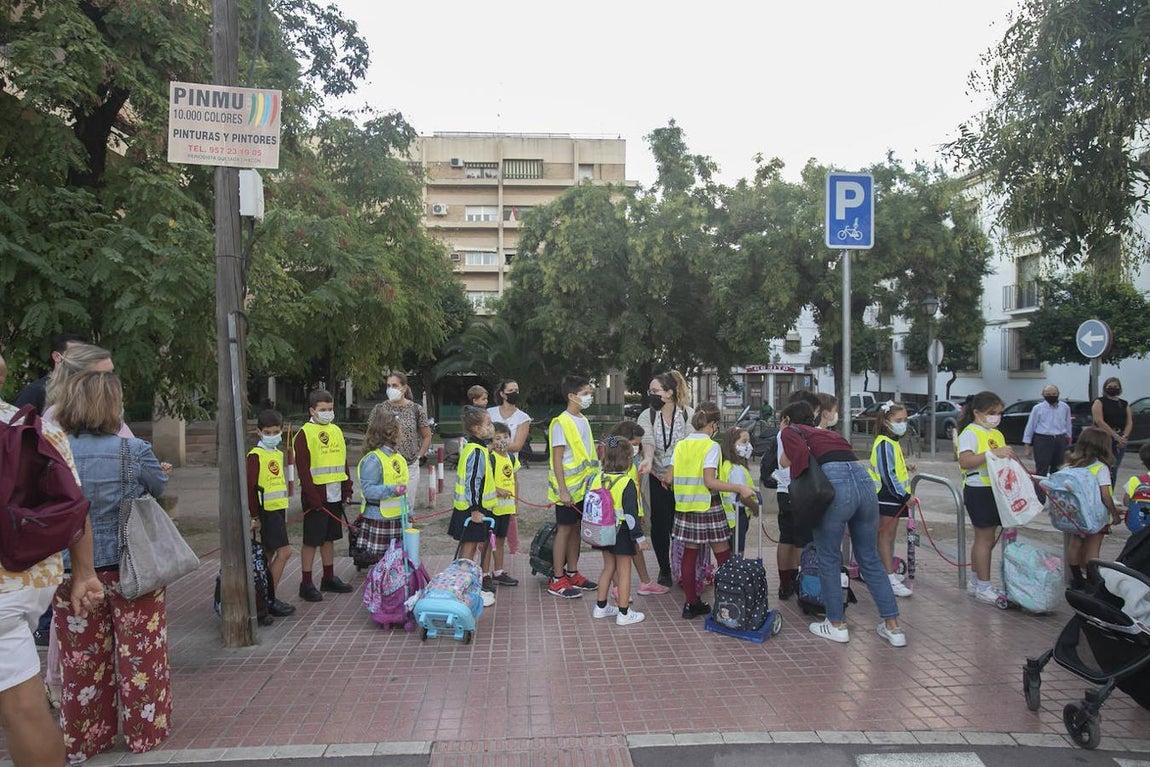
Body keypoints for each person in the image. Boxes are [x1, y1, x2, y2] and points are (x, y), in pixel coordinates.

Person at [52, 370, 171, 762]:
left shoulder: (55, 450)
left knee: (81, 662)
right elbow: (158, 487)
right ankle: (144, 733)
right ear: (113, 406)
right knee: (141, 656)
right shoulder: (134, 451)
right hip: (130, 567)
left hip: (71, 571)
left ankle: (86, 738)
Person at [0, 353, 103, 767]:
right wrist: (84, 574)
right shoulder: (34, 428)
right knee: (23, 709)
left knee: (22, 708)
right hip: (22, 585)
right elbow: (74, 504)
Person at [779, 401, 907, 647]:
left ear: (786, 419)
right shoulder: (830, 433)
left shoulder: (789, 431)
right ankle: (893, 627)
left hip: (835, 488)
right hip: (864, 484)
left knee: (828, 557)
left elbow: (798, 463)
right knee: (869, 558)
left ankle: (836, 624)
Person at [671, 402, 755, 619]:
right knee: (723, 555)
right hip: (708, 506)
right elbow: (710, 481)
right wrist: (739, 487)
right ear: (714, 425)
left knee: (689, 554)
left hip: (685, 507)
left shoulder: (680, 445)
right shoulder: (711, 446)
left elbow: (669, 477)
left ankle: (691, 604)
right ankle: (728, 601)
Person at [294, 389, 354, 603]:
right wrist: (312, 497)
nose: (327, 413)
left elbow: (343, 460)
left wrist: (347, 488)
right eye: (322, 410)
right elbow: (303, 469)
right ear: (312, 410)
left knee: (329, 538)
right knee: (312, 540)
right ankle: (306, 582)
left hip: (335, 494)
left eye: (330, 409)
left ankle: (328, 577)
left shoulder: (336, 431)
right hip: (316, 497)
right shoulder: (304, 434)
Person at [956, 390, 1015, 605]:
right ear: (977, 413)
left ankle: (975, 581)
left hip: (996, 488)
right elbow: (965, 460)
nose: (996, 417)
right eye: (992, 413)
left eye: (999, 413)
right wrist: (992, 454)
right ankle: (984, 585)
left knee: (987, 539)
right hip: (978, 489)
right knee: (985, 538)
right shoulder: (970, 432)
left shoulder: (996, 434)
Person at [638, 370, 694, 587]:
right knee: (660, 525)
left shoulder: (688, 414)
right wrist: (649, 460)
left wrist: (672, 471)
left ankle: (684, 566)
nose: (651, 395)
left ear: (669, 393)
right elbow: (648, 441)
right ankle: (664, 568)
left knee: (682, 524)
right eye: (650, 391)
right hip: (657, 477)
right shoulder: (648, 415)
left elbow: (686, 447)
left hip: (682, 478)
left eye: (655, 391)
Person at [546, 374, 599, 598]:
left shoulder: (583, 420)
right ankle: (557, 578)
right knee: (564, 530)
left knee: (576, 529)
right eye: (585, 394)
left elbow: (592, 448)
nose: (589, 397)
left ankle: (573, 572)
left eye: (589, 393)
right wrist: (563, 490)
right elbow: (557, 459)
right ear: (571, 396)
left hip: (584, 489)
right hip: (567, 490)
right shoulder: (561, 422)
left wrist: (616, 442)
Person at [588, 436, 646, 626]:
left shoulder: (597, 477)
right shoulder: (626, 482)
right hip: (621, 532)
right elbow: (631, 515)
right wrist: (640, 538)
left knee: (608, 568)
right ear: (628, 459)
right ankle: (624, 612)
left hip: (602, 531)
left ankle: (600, 607)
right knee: (624, 571)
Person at [606, 420, 667, 595]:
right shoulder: (613, 462)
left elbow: (636, 491)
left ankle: (645, 582)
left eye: (638, 445)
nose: (636, 449)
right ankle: (618, 589)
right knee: (615, 556)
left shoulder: (630, 460)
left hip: (631, 514)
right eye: (633, 444)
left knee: (635, 548)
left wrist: (639, 512)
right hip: (618, 517)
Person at [246, 410, 295, 617]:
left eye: (276, 431)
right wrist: (254, 516)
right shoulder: (255, 456)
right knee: (284, 553)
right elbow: (250, 488)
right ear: (259, 432)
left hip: (277, 510)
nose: (272, 435)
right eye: (267, 432)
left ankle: (260, 598)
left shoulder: (277, 453)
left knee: (267, 555)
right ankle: (268, 599)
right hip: (266, 513)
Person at [1063, 426, 1123, 589]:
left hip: (1076, 514)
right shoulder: (1100, 468)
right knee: (1093, 548)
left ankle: (1076, 579)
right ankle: (1092, 579)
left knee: (1075, 544)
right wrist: (1115, 514)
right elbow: (1105, 495)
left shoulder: (1071, 465)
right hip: (1097, 516)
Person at [775, 390, 821, 600]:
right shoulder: (808, 435)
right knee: (801, 541)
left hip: (785, 491)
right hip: (801, 492)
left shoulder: (784, 433)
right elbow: (786, 461)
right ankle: (803, 583)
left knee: (787, 538)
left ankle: (786, 583)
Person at [450, 407, 498, 607]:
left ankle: (464, 588)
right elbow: (473, 482)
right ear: (478, 429)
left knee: (469, 550)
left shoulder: (475, 447)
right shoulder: (477, 451)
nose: (491, 427)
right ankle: (462, 591)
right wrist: (476, 509)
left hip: (470, 508)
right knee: (468, 553)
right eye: (488, 423)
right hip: (472, 510)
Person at [868, 402, 915, 598]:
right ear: (886, 422)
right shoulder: (885, 442)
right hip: (888, 497)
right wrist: (904, 496)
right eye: (898, 420)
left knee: (888, 538)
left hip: (892, 498)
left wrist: (906, 466)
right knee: (885, 538)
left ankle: (888, 573)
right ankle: (888, 577)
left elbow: (892, 467)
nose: (902, 424)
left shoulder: (891, 442)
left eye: (905, 420)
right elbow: (887, 474)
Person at [354, 404, 409, 567]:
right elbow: (368, 490)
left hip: (397, 517)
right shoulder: (373, 459)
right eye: (399, 429)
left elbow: (403, 490)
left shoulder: (397, 457)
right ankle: (379, 589)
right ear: (391, 432)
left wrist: (409, 510)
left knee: (395, 561)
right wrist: (392, 490)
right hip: (379, 517)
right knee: (381, 562)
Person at [384, 373, 433, 511]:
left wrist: (419, 456)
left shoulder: (416, 409)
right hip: (387, 465)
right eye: (388, 386)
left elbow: (427, 436)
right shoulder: (380, 409)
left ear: (403, 388)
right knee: (390, 505)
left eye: (394, 385)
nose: (390, 389)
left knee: (407, 506)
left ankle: (407, 529)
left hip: (409, 464)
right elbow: (371, 435)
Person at [12, 333, 84, 412]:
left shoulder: (85, 391)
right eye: (76, 355)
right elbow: (17, 422)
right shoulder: (35, 392)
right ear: (56, 357)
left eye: (84, 356)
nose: (81, 360)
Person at [488, 421, 520, 586]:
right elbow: (485, 482)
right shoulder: (490, 458)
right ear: (491, 441)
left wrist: (516, 503)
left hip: (507, 508)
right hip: (492, 508)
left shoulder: (512, 458)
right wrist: (496, 489)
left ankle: (498, 571)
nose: (502, 440)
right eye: (498, 438)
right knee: (488, 542)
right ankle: (485, 573)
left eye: (506, 437)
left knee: (500, 540)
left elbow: (515, 479)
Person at [719, 427, 760, 555]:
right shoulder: (736, 469)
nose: (748, 446)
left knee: (731, 549)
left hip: (730, 514)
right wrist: (755, 507)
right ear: (732, 444)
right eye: (744, 442)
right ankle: (736, 571)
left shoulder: (726, 465)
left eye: (748, 442)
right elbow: (743, 495)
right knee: (738, 550)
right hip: (738, 514)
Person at [1023, 385, 1072, 476]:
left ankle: (1055, 489)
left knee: (1059, 468)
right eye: (1048, 394)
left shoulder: (1065, 407)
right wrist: (1027, 445)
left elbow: (1068, 424)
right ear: (1043, 395)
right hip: (1043, 440)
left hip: (1060, 439)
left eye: (1054, 394)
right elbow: (1030, 426)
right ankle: (1039, 490)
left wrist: (1068, 440)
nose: (1051, 396)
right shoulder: (1038, 408)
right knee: (1042, 467)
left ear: (1058, 394)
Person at [1091, 377, 1132, 485]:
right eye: (1110, 387)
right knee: (1103, 465)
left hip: (1120, 437)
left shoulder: (1124, 403)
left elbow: (1129, 422)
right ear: (1105, 388)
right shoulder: (1099, 402)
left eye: (1115, 387)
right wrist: (1115, 436)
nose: (1113, 389)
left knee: (1114, 467)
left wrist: (1124, 436)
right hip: (1103, 437)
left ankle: (1111, 492)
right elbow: (1099, 421)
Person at [488, 379, 532, 465]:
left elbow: (517, 446)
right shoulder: (490, 413)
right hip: (490, 461)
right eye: (510, 390)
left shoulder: (523, 418)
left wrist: (493, 446)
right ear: (502, 394)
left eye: (516, 390)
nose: (514, 393)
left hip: (509, 463)